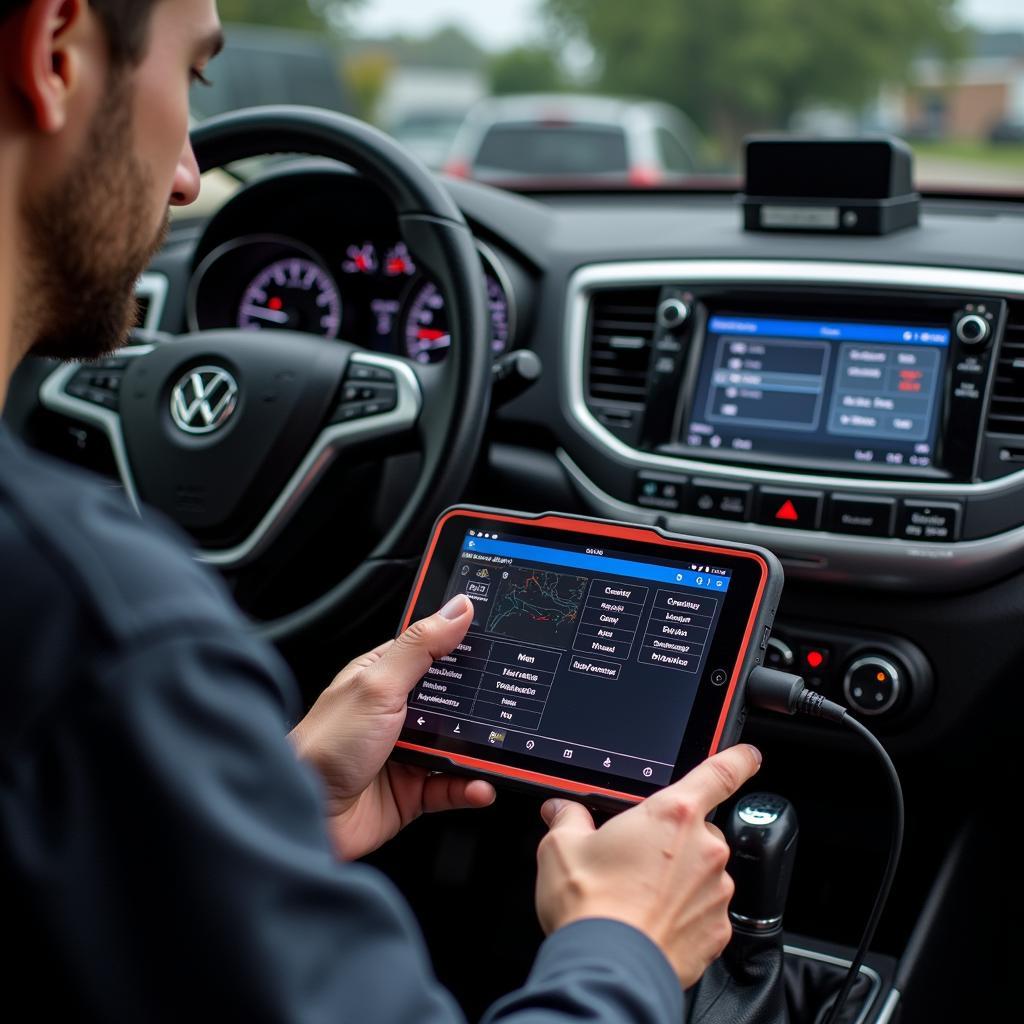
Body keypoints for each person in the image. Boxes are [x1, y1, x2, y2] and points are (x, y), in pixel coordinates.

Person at [0, 1, 762, 1020]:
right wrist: (623, 942)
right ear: (55, 53)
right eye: (193, 77)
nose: (187, 174)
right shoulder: (103, 621)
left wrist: (259, 811)